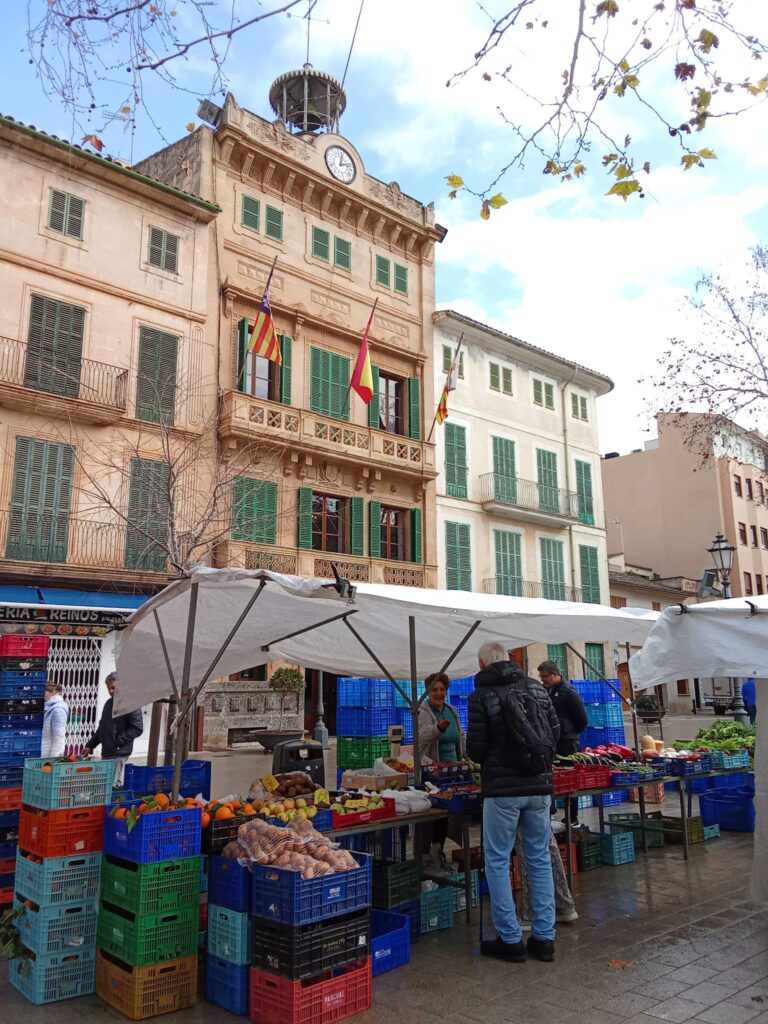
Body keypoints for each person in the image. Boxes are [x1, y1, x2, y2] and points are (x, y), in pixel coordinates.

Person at [468, 641, 560, 963]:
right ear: (509, 660)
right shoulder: (536, 688)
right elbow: (555, 734)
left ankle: (510, 939)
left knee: (497, 860)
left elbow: (475, 750)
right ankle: (544, 938)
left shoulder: (481, 695)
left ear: (483, 665)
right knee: (538, 857)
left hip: (503, 791)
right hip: (539, 785)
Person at [417, 672, 466, 870]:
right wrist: (438, 728)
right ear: (428, 692)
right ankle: (427, 854)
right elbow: (424, 735)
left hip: (452, 771)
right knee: (434, 814)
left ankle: (439, 850)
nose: (439, 693)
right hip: (433, 773)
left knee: (447, 814)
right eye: (434, 690)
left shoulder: (452, 710)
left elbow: (460, 736)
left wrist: (464, 758)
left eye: (442, 689)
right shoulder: (422, 711)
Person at [537, 660, 589, 826]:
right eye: (541, 676)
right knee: (553, 777)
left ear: (555, 674)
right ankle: (553, 812)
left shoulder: (569, 693)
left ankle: (572, 817)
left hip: (567, 743)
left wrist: (570, 733)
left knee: (569, 778)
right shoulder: (547, 690)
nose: (542, 679)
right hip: (552, 742)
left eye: (544, 676)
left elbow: (582, 720)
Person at [83, 672, 143, 788]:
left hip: (119, 753)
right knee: (104, 786)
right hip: (107, 752)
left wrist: (118, 741)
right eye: (108, 688)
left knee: (113, 786)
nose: (110, 691)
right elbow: (102, 727)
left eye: (113, 688)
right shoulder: (108, 704)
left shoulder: (131, 704)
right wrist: (90, 745)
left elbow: (137, 728)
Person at [41, 681, 69, 758]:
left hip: (49, 754)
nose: (42, 695)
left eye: (44, 693)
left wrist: (53, 758)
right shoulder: (45, 706)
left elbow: (59, 736)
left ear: (52, 692)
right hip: (42, 752)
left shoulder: (58, 710)